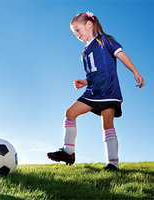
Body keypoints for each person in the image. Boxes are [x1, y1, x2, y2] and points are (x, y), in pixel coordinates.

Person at [47, 12, 144, 171]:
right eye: (74, 33)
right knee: (70, 113)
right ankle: (68, 152)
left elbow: (121, 55)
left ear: (89, 25)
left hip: (108, 90)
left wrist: (135, 71)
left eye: (77, 30)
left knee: (107, 124)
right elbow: (94, 73)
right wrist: (84, 82)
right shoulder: (84, 52)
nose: (76, 34)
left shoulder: (105, 40)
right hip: (93, 91)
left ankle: (113, 163)